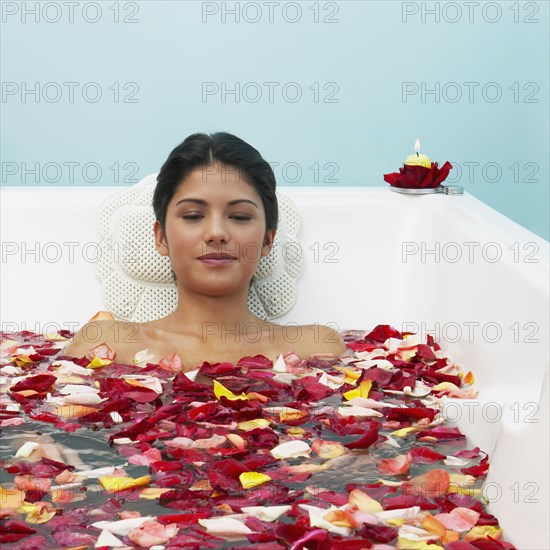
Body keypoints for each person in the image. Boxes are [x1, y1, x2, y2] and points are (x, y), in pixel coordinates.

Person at [63, 132, 346, 372]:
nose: (216, 233)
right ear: (161, 238)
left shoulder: (315, 347)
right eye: (193, 215)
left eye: (240, 216)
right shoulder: (106, 343)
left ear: (267, 241)